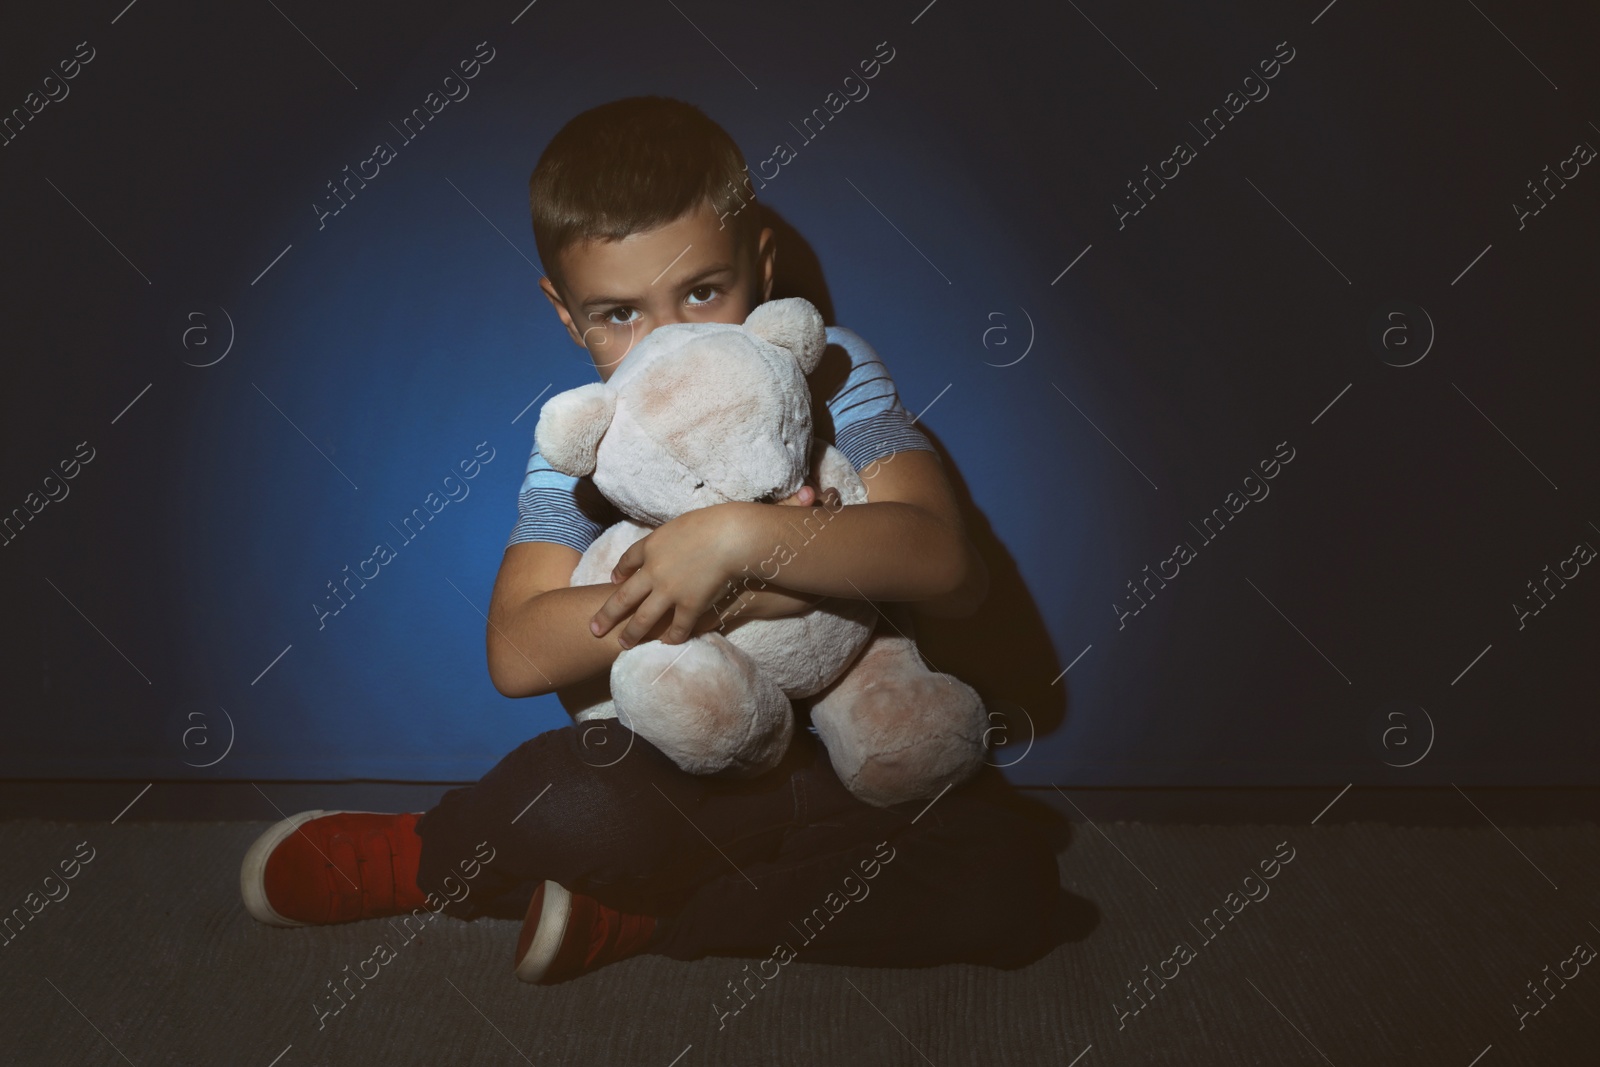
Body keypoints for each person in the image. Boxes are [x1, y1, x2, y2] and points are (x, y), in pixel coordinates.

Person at [239, 96, 1068, 985]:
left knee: (1008, 882)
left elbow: (947, 564)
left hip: (844, 762)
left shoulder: (828, 364)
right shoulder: (588, 438)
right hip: (681, 773)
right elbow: (518, 651)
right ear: (567, 316)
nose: (667, 341)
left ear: (762, 265)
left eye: (703, 292)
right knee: (578, 806)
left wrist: (736, 537)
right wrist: (714, 588)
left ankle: (658, 910)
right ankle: (433, 855)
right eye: (618, 314)